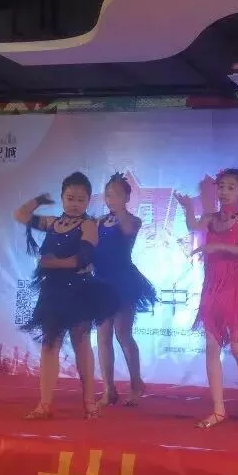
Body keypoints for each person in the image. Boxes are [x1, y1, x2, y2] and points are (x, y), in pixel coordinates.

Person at [177, 168, 238, 428]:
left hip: (234, 289)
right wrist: (188, 208)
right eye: (221, 187)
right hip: (211, 288)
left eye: (230, 187)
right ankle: (218, 409)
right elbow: (192, 226)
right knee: (212, 347)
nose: (224, 191)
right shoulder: (209, 218)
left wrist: (218, 246)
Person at [13, 171, 111, 420]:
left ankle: (89, 403)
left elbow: (82, 259)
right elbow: (20, 215)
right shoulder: (53, 223)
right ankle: (44, 404)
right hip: (53, 291)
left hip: (79, 290)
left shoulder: (89, 224)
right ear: (62, 197)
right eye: (70, 198)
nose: (75, 203)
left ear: (88, 201)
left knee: (81, 343)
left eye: (80, 199)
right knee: (50, 344)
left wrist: (51, 263)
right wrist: (38, 200)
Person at [94, 173, 156, 407]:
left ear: (127, 197)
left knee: (123, 334)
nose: (111, 199)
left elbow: (128, 231)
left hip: (122, 281)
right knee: (103, 336)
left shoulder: (133, 220)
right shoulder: (99, 221)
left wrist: (119, 210)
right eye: (108, 194)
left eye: (117, 195)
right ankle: (108, 389)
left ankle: (136, 383)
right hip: (101, 281)